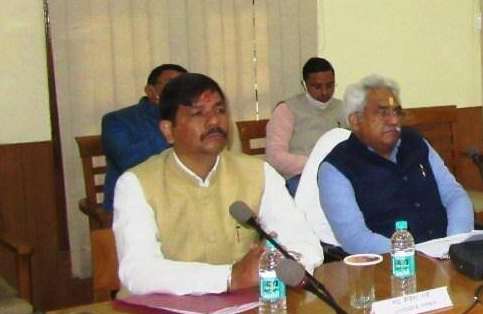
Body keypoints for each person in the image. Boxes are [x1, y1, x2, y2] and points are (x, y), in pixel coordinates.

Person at [112, 73, 322, 296]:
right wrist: (229, 278)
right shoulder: (136, 183)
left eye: (220, 110)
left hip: (242, 306)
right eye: (197, 113)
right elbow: (138, 270)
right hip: (160, 310)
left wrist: (279, 265)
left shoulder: (257, 173)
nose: (214, 121)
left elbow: (304, 243)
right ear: (168, 130)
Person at [317, 75, 474, 254]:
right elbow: (354, 238)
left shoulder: (415, 142)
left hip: (448, 252)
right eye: (382, 113)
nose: (394, 121)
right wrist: (417, 257)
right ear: (355, 120)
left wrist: (455, 243)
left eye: (397, 112)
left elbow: (454, 195)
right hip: (393, 263)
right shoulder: (336, 168)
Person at [100, 63, 187, 211]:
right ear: (150, 91)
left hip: (182, 202)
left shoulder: (193, 119)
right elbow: (127, 161)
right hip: (133, 204)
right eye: (172, 84)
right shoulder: (117, 120)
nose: (180, 91)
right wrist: (170, 127)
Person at [265, 56, 347, 194]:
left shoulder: (344, 109)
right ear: (304, 85)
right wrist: (315, 165)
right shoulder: (287, 110)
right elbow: (275, 157)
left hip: (340, 175)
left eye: (329, 85)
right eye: (317, 87)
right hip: (300, 177)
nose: (324, 92)